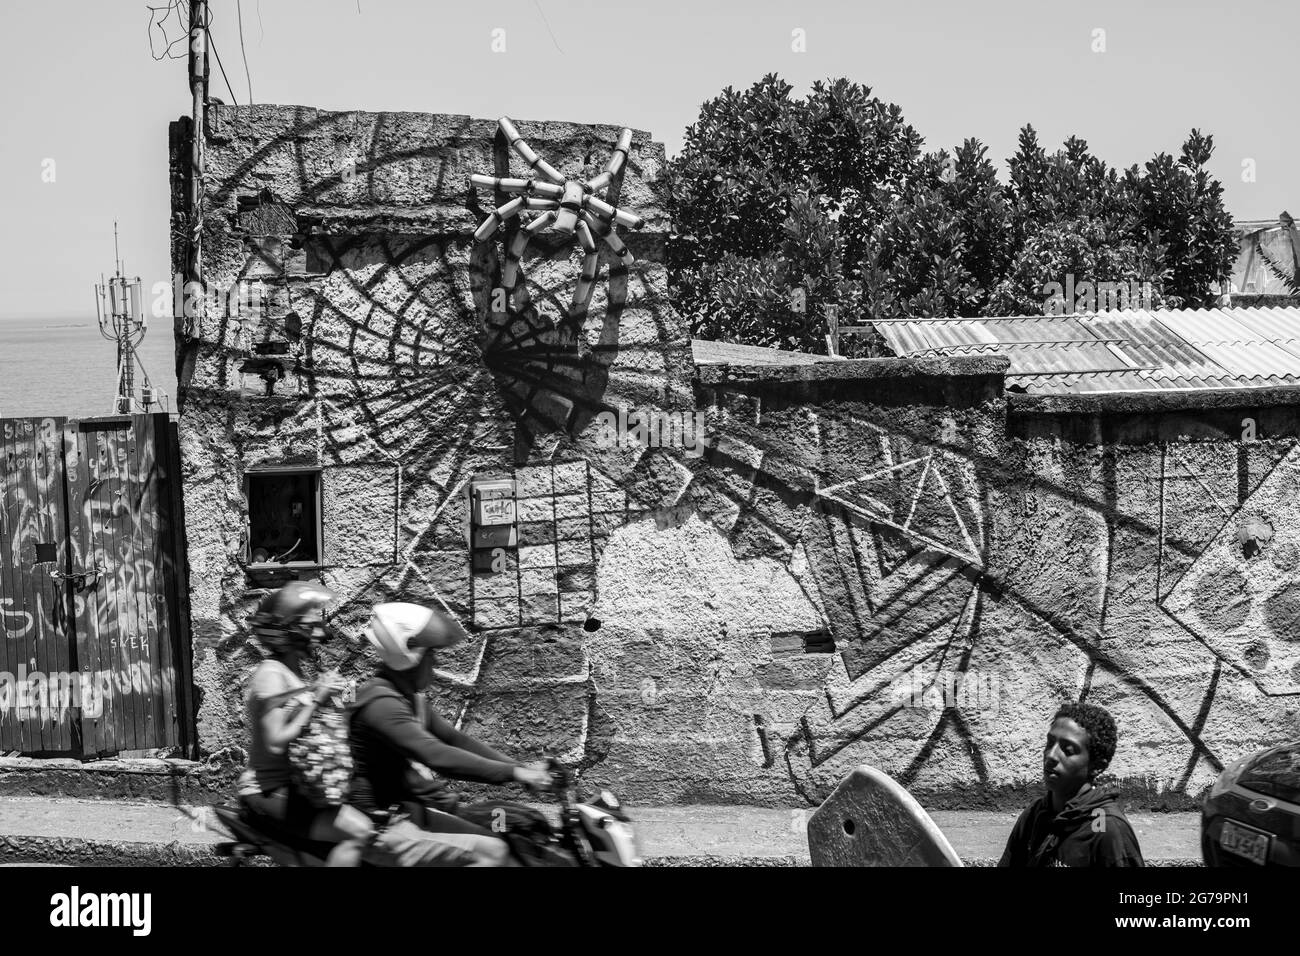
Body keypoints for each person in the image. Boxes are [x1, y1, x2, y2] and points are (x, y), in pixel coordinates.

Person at [348, 601, 553, 867]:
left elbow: (456, 740)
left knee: (505, 843)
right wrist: (515, 774)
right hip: (378, 825)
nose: (435, 663)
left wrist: (522, 768)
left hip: (404, 809)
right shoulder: (381, 703)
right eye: (430, 655)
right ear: (409, 653)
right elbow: (436, 755)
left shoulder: (408, 698)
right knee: (492, 852)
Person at [237, 581, 374, 866]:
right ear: (289, 629)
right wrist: (316, 698)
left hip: (300, 785)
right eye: (309, 625)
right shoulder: (270, 674)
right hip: (268, 790)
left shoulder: (292, 669)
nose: (318, 632)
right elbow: (276, 742)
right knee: (360, 832)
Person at [998, 701, 1144, 867]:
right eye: (1050, 743)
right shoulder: (1036, 814)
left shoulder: (1104, 828)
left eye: (1068, 750)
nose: (1051, 755)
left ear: (1097, 766)